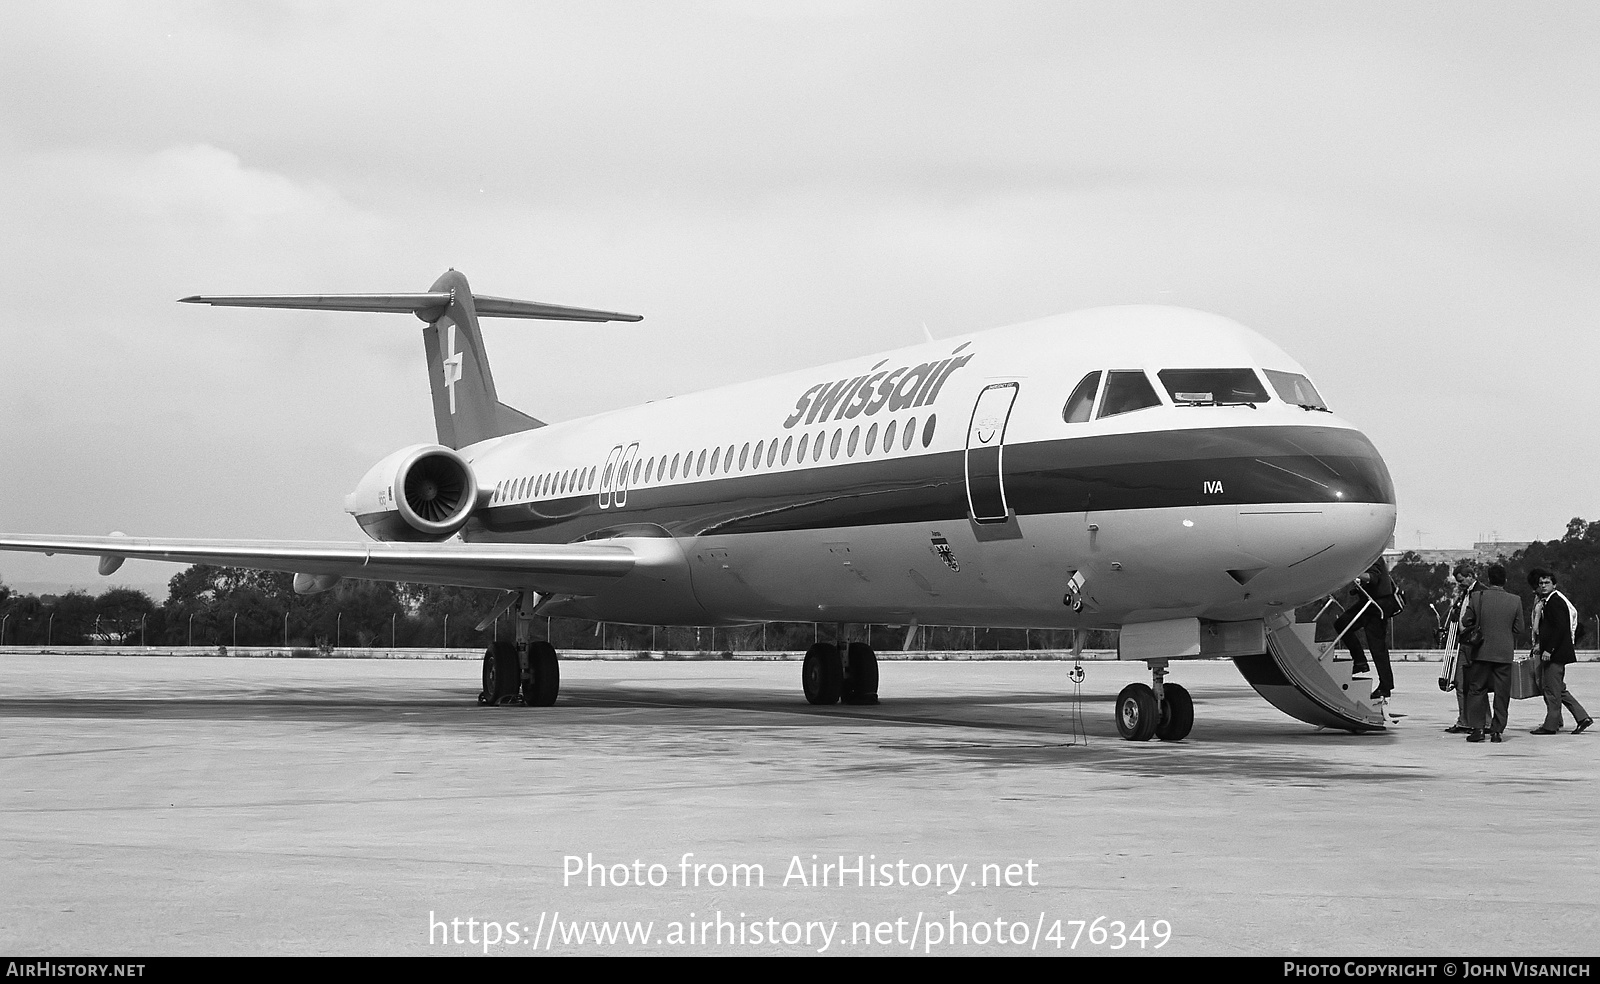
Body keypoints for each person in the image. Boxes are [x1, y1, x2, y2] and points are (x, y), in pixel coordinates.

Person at [1459, 564, 1524, 743]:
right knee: (1502, 693)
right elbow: (1519, 628)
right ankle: (1497, 731)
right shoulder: (1515, 600)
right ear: (1505, 580)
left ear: (1488, 579)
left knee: (1476, 690)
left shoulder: (1477, 597)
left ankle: (1478, 729)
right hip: (1504, 653)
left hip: (1481, 652)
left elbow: (1466, 620)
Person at [1528, 568, 1592, 735]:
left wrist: (1549, 649)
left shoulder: (1555, 601)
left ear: (1554, 584)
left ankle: (1550, 726)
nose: (1543, 585)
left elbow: (1559, 629)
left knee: (1551, 690)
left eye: (1547, 583)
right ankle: (1582, 717)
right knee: (1558, 689)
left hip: (1555, 654)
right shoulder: (1548, 601)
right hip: (1552, 652)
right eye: (1541, 583)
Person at [1332, 556, 1400, 699]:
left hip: (1378, 605)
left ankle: (1385, 686)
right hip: (1368, 604)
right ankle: (1360, 661)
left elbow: (1372, 578)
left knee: (1377, 646)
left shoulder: (1372, 554)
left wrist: (1351, 574)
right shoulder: (1361, 558)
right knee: (1342, 624)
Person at [1443, 566, 1483, 734]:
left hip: (1474, 644)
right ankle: (1463, 720)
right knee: (1460, 683)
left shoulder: (1482, 592)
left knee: (1476, 686)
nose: (1460, 584)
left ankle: (1479, 721)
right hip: (1463, 642)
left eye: (1461, 580)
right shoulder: (1464, 594)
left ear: (1470, 576)